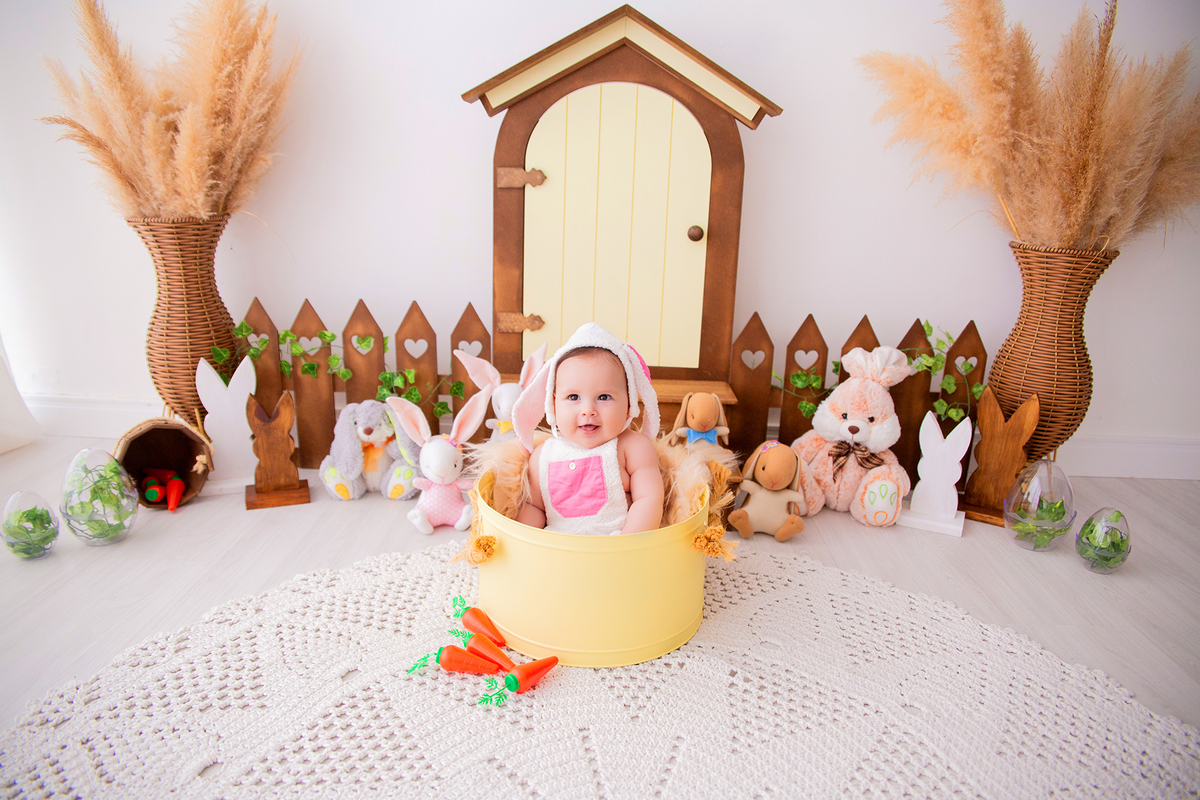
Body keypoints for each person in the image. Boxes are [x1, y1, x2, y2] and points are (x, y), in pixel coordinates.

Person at [511, 323, 664, 535]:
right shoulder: (543, 456)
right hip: (559, 550)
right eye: (573, 397)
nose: (588, 410)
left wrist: (627, 545)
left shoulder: (633, 448)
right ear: (553, 405)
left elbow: (649, 499)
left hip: (617, 547)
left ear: (629, 405)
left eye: (604, 397)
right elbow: (535, 507)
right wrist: (521, 538)